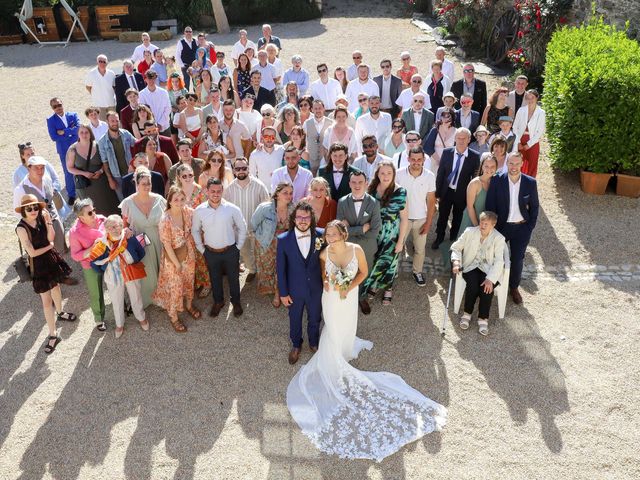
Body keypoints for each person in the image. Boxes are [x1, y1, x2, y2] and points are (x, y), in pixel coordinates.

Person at [287, 219, 446, 461]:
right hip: (331, 298)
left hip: (349, 296)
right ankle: (335, 353)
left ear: (342, 233)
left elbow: (363, 272)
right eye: (327, 234)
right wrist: (331, 283)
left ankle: (346, 347)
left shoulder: (356, 250)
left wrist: (348, 286)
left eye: (333, 233)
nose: (330, 237)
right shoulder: (324, 254)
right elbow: (324, 276)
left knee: (347, 324)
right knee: (331, 326)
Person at [15, 194, 76, 354]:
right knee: (46, 301)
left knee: (56, 287)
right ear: (23, 210)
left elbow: (51, 238)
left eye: (36, 207)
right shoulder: (21, 228)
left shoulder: (42, 217)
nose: (33, 210)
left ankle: (61, 312)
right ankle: (53, 334)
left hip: (50, 259)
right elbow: (32, 253)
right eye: (29, 208)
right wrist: (49, 247)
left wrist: (48, 221)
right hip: (39, 265)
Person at [485, 151, 539, 304]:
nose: (514, 166)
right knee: (496, 257)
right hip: (501, 227)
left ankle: (514, 288)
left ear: (522, 164)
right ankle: (492, 282)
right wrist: (492, 227)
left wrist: (530, 226)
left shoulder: (530, 182)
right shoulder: (496, 181)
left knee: (517, 259)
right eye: (511, 163)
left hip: (522, 229)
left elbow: (534, 207)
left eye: (517, 163)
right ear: (506, 163)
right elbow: (490, 206)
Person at [192, 178, 247, 318]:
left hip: (230, 251)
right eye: (212, 191)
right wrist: (202, 249)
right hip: (210, 252)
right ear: (206, 191)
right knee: (215, 278)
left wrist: (238, 247)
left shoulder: (232, 208)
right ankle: (218, 302)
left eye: (218, 191)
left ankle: (236, 302)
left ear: (222, 191)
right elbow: (195, 230)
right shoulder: (199, 211)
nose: (216, 194)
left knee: (234, 278)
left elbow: (242, 227)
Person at [276, 201, 323, 363]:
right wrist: (283, 293)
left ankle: (314, 342)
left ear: (312, 219)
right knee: (294, 318)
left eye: (307, 217)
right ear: (294, 219)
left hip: (316, 288)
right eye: (299, 217)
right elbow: (280, 269)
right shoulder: (283, 239)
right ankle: (296, 344)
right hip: (294, 289)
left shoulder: (321, 235)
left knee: (315, 317)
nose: (303, 220)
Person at [89, 214, 148, 338]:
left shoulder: (129, 238)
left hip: (130, 273)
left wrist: (134, 261)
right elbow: (93, 262)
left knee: (136, 296)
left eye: (118, 226)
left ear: (122, 225)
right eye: (111, 227)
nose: (115, 229)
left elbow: (141, 252)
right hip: (113, 277)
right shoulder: (101, 244)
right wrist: (104, 270)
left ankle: (141, 317)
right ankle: (119, 324)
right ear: (106, 228)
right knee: (116, 300)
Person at [450, 211, 506, 335]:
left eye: (487, 224)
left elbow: (498, 261)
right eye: (482, 222)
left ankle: (483, 318)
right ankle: (467, 313)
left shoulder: (499, 238)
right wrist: (456, 261)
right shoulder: (469, 232)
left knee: (487, 288)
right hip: (471, 266)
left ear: (493, 225)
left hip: (489, 269)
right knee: (473, 286)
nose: (483, 226)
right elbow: (455, 247)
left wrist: (490, 279)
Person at [153, 186, 199, 332]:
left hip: (189, 253)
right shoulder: (165, 219)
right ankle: (173, 317)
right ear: (170, 201)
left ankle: (189, 305)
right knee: (175, 287)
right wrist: (176, 263)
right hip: (173, 258)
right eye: (176, 199)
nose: (179, 202)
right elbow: (166, 244)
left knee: (189, 280)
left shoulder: (188, 212)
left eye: (181, 199)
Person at [362, 161, 408, 306]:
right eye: (382, 173)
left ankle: (388, 288)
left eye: (389, 173)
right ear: (377, 174)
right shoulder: (371, 188)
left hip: (392, 233)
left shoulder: (400, 192)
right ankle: (374, 285)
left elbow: (405, 219)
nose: (386, 176)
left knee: (390, 261)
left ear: (394, 174)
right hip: (374, 231)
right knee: (375, 259)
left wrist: (401, 241)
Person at [119, 168, 167, 308]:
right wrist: (126, 230)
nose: (147, 186)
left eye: (149, 183)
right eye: (143, 183)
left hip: (159, 240)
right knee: (146, 272)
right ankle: (148, 299)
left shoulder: (159, 200)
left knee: (162, 269)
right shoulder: (127, 203)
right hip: (140, 243)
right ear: (136, 184)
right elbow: (124, 224)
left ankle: (163, 297)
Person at [336, 170, 381, 315]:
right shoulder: (342, 202)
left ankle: (362, 297)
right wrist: (362, 229)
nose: (357, 185)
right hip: (347, 246)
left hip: (367, 247)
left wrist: (352, 229)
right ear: (349, 183)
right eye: (354, 182)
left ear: (366, 183)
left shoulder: (374, 203)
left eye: (360, 182)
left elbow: (374, 230)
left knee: (364, 273)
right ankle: (347, 296)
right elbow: (341, 230)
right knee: (347, 272)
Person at [223, 157, 270, 283]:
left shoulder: (259, 185)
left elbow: (267, 206)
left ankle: (263, 275)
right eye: (238, 169)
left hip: (257, 229)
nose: (241, 171)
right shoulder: (230, 189)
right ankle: (253, 270)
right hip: (239, 230)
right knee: (245, 254)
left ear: (248, 168)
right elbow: (225, 208)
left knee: (260, 253)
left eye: (244, 168)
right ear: (233, 171)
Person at [432, 128, 480, 249]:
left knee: (458, 217)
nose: (461, 140)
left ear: (469, 140)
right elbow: (441, 173)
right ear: (455, 138)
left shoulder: (474, 156)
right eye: (459, 138)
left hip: (462, 193)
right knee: (443, 216)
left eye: (464, 138)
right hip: (446, 191)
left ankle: (453, 238)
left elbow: (475, 177)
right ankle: (439, 237)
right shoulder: (447, 152)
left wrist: (472, 195)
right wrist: (438, 192)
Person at [13, 157, 71, 256]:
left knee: (60, 253)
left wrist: (56, 220)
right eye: (36, 168)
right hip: (39, 230)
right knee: (47, 257)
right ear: (29, 168)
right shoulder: (20, 189)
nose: (40, 171)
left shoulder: (47, 180)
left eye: (42, 168)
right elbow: (19, 214)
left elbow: (50, 202)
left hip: (54, 222)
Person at [396, 147, 437, 286]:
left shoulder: (430, 176)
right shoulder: (398, 174)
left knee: (420, 249)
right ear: (408, 159)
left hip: (421, 219)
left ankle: (417, 272)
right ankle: (393, 272)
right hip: (403, 220)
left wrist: (428, 223)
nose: (416, 162)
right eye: (413, 159)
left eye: (419, 159)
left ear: (424, 160)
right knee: (398, 247)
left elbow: (431, 202)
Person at [251, 182, 294, 307]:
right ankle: (268, 288)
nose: (289, 196)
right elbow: (254, 224)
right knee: (267, 268)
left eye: (291, 193)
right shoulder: (265, 207)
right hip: (265, 243)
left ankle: (277, 292)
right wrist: (260, 237)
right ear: (277, 195)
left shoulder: (293, 208)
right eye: (285, 193)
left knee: (280, 268)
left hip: (283, 244)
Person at [69, 198, 108, 331]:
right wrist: (90, 249)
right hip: (91, 264)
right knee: (96, 292)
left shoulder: (102, 219)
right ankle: (99, 318)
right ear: (81, 217)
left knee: (117, 284)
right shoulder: (75, 232)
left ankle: (123, 306)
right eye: (90, 213)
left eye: (94, 210)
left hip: (109, 258)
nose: (94, 214)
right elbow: (75, 255)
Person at [66, 124, 119, 216]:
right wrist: (84, 173)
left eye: (86, 132)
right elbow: (69, 168)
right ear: (78, 134)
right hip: (85, 185)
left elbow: (105, 162)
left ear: (90, 134)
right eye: (81, 132)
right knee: (91, 210)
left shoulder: (98, 145)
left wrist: (101, 171)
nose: (84, 135)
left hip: (102, 182)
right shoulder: (72, 149)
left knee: (109, 206)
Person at [46, 97, 79, 202]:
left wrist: (64, 131)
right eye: (55, 106)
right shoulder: (51, 120)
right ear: (52, 108)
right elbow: (54, 137)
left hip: (77, 146)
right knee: (68, 171)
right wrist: (71, 132)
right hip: (64, 149)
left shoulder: (73, 115)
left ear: (62, 104)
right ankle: (72, 195)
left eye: (59, 105)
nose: (58, 108)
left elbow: (79, 128)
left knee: (82, 168)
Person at [457, 153, 498, 237]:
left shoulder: (495, 182)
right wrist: (478, 226)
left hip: (486, 222)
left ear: (496, 168)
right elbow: (470, 207)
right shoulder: (475, 183)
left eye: (492, 166)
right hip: (472, 220)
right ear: (482, 167)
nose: (489, 169)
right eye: (486, 166)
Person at [98, 111, 136, 201]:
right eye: (112, 121)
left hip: (131, 173)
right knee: (123, 201)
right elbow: (105, 162)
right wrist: (110, 179)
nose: (115, 123)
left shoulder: (126, 134)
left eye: (117, 120)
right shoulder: (102, 141)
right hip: (117, 176)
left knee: (136, 197)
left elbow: (137, 144)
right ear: (107, 122)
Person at [513, 89, 546, 178]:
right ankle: (518, 180)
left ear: (537, 98)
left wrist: (529, 144)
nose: (530, 100)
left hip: (533, 142)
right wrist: (518, 142)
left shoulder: (541, 113)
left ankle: (530, 182)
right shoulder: (521, 110)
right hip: (520, 139)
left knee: (532, 163)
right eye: (528, 98)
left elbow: (540, 131)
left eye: (532, 98)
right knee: (519, 162)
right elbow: (515, 127)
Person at [303, 99, 333, 175]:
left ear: (324, 109)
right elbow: (304, 141)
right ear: (312, 110)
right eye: (315, 109)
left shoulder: (331, 123)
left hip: (325, 158)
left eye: (320, 108)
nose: (318, 110)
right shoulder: (306, 123)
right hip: (311, 158)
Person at [423, 106, 457, 174]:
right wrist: (438, 160)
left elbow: (457, 148)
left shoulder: (456, 131)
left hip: (449, 162)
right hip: (435, 161)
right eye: (443, 116)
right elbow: (427, 147)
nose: (446, 118)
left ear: (452, 117)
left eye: (448, 116)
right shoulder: (435, 130)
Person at [139, 70, 172, 136]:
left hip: (165, 126)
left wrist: (160, 123)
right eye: (149, 79)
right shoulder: (141, 94)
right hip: (150, 129)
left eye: (153, 78)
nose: (151, 81)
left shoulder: (164, 92)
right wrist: (153, 125)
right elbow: (143, 112)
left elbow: (168, 108)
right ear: (145, 79)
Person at [85, 54, 116, 120]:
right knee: (102, 124)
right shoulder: (91, 73)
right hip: (98, 104)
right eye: (100, 61)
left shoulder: (111, 73)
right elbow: (88, 86)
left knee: (113, 121)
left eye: (104, 62)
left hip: (111, 103)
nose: (102, 63)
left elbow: (114, 87)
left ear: (107, 63)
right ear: (97, 62)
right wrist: (94, 94)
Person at [175, 26, 198, 91]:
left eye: (190, 31)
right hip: (186, 66)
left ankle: (196, 96)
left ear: (192, 33)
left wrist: (210, 43)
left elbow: (202, 44)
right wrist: (182, 65)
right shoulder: (181, 42)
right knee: (186, 82)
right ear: (184, 33)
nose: (188, 33)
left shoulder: (195, 41)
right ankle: (186, 97)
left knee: (195, 82)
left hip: (194, 66)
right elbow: (177, 55)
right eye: (187, 31)